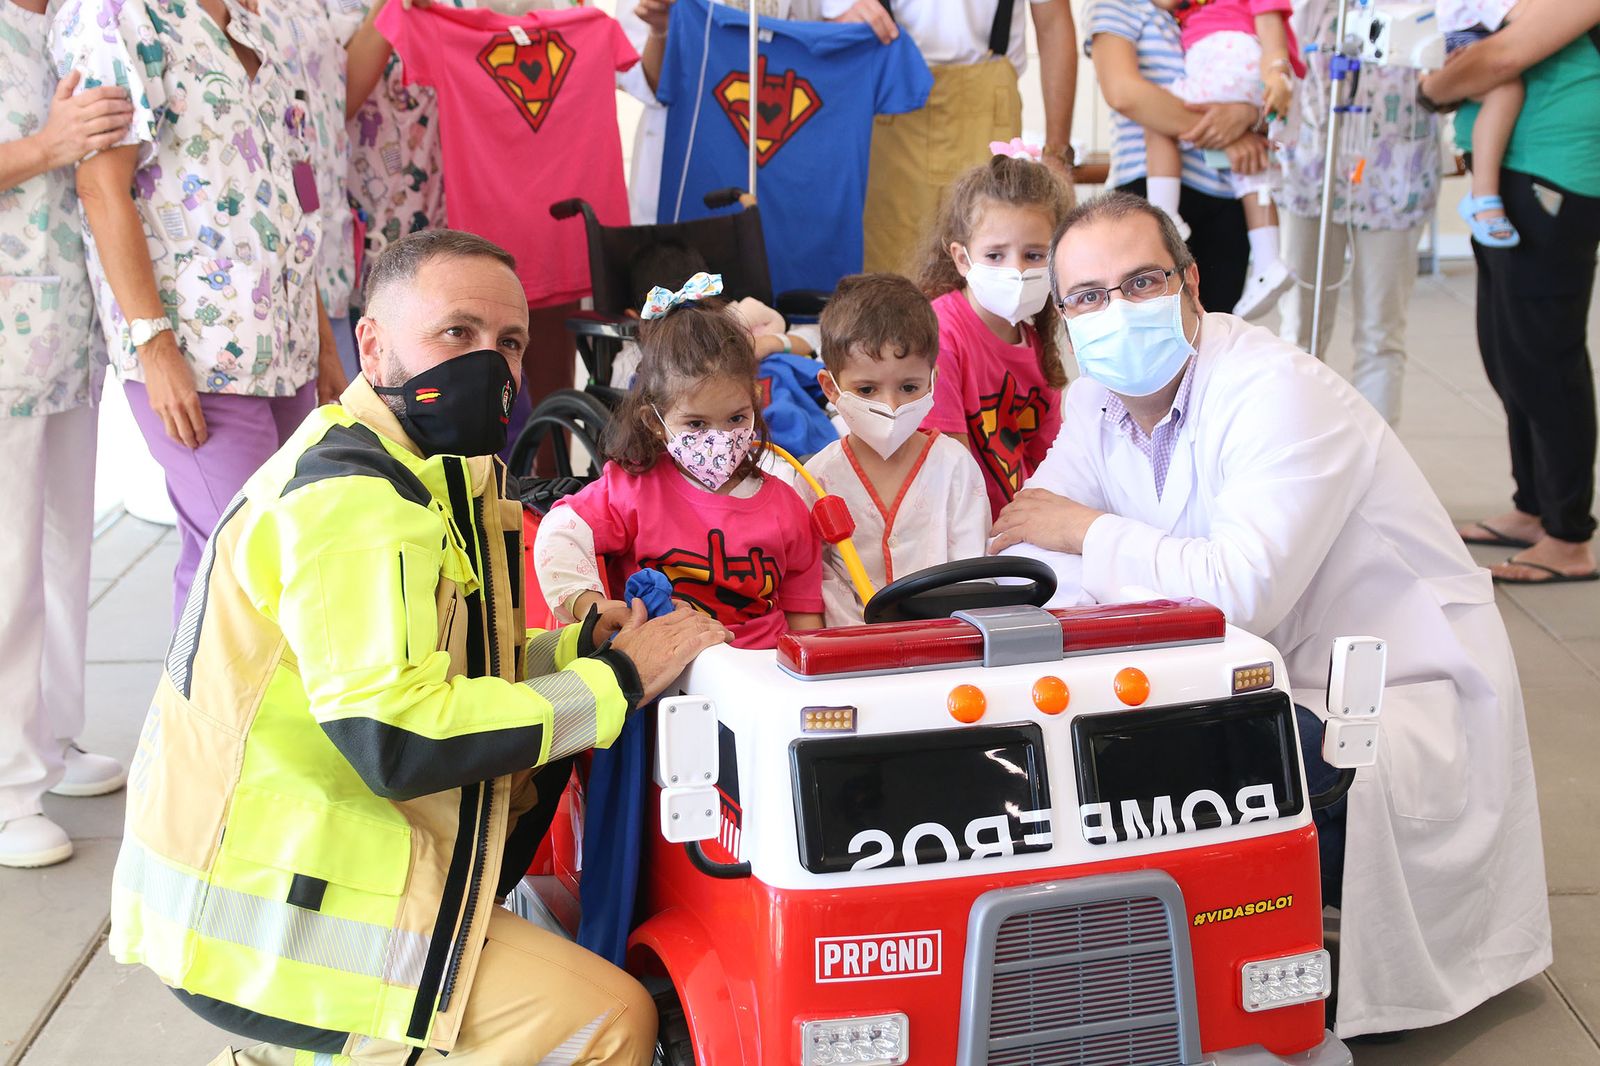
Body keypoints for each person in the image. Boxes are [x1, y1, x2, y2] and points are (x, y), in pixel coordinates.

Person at [107, 229, 730, 1065]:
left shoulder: (426, 467)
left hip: (282, 874)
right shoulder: (355, 504)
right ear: (372, 344)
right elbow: (397, 736)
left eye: (510, 342)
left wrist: (576, 647)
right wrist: (616, 681)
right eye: (457, 332)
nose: (491, 364)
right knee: (609, 1019)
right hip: (264, 919)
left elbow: (442, 666)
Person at [990, 192, 1551, 1039]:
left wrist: (1089, 533)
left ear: (1191, 283)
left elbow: (1239, 591)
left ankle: (1213, 963)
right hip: (1247, 670)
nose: (1118, 310)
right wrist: (1081, 549)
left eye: (1141, 282)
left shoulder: (1277, 392)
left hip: (1377, 696)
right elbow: (1027, 546)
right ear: (1065, 318)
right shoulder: (1094, 402)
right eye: (1089, 296)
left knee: (1147, 753)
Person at [54, 0, 348, 623]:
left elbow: (284, 196)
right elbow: (100, 186)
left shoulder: (249, 19)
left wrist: (322, 340)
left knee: (280, 560)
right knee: (245, 569)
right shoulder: (120, 14)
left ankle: (206, 692)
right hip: (197, 352)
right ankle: (201, 694)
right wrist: (154, 346)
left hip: (288, 347)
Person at [0, 14, 133, 868]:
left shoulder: (73, 20)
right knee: (7, 565)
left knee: (60, 551)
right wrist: (46, 146)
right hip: (8, 332)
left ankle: (50, 738)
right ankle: (9, 787)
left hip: (66, 333)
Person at [534, 273, 825, 648]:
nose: (720, 438)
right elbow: (561, 532)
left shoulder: (787, 506)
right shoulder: (633, 491)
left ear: (755, 404)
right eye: (696, 424)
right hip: (669, 667)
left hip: (760, 669)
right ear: (654, 422)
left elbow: (805, 620)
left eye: (736, 418)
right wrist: (596, 608)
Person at [1421, 5, 1600, 583]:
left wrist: (1433, 88)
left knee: (1545, 359)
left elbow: (1500, 58)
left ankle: (1568, 537)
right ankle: (1535, 507)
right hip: (1517, 174)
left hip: (1554, 173)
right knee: (1508, 355)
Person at [1275, 0, 1440, 426]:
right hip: (1311, 169)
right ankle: (1299, 446)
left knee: (1380, 335)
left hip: (1395, 173)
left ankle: (1376, 461)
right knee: (1301, 330)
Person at [825, 0, 1078, 275]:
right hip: (890, 109)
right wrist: (838, 20)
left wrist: (1057, 153)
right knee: (888, 277)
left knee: (996, 264)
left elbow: (1053, 24)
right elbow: (817, 22)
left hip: (988, 107)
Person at [799, 274, 989, 625]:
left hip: (944, 646)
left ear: (932, 380)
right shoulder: (816, 479)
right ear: (830, 387)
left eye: (909, 387)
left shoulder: (955, 466)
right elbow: (815, 584)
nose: (891, 405)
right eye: (867, 390)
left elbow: (973, 577)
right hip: (850, 651)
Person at [1084, 0, 1270, 312]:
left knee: (1215, 326)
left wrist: (1248, 114)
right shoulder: (1118, 5)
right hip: (1149, 185)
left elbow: (1258, 91)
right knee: (1149, 319)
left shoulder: (1211, 10)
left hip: (1225, 194)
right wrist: (1227, 138)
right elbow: (1124, 92)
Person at [916, 154, 1070, 520]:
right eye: (996, 255)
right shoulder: (941, 335)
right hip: (961, 528)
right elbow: (948, 474)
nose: (1016, 269)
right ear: (962, 259)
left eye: (1034, 254)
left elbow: (1052, 464)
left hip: (1018, 525)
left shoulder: (1036, 344)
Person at [1145, 0, 1303, 317]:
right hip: (1249, 75)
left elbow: (1270, 26)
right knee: (1251, 170)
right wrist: (1275, 74)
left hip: (1227, 59)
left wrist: (1276, 70)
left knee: (1158, 115)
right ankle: (1269, 262)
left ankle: (1165, 214)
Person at [1440, 0, 1528, 247]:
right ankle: (1483, 196)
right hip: (1465, 38)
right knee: (1506, 91)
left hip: (1490, 34)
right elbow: (1514, 12)